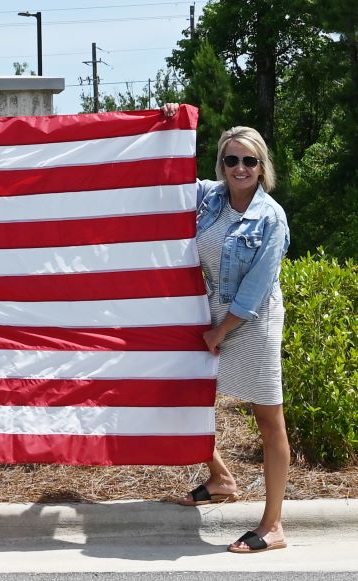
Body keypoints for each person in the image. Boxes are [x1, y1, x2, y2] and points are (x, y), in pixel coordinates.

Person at [160, 103, 291, 553]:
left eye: (249, 160)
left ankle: (273, 526)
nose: (240, 168)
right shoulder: (211, 197)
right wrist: (169, 122)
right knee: (182, 392)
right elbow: (168, 174)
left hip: (251, 323)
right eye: (231, 159)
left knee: (267, 419)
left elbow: (254, 292)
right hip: (211, 314)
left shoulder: (270, 218)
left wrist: (220, 332)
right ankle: (221, 478)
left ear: (262, 166)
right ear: (222, 164)